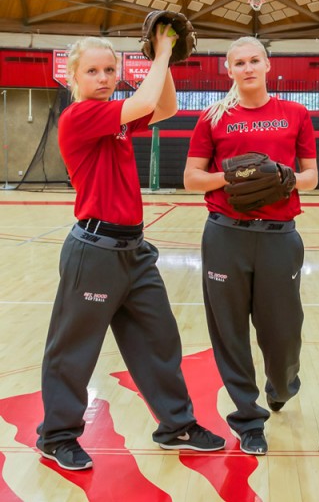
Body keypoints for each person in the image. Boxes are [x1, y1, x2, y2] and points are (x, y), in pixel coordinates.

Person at [36, 30, 225, 471]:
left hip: (135, 252)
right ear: (72, 77)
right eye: (93, 71)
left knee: (159, 340)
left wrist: (169, 59)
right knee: (74, 349)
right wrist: (159, 53)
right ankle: (57, 436)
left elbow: (165, 106)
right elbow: (143, 103)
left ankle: (175, 424)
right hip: (94, 251)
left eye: (110, 70)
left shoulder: (114, 118)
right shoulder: (80, 116)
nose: (103, 78)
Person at [184, 36, 318, 455]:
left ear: (268, 65)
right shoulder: (213, 116)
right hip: (226, 234)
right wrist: (234, 178)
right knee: (230, 332)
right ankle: (248, 419)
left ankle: (281, 384)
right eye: (239, 62)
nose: (247, 68)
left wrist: (285, 178)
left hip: (280, 237)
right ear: (228, 70)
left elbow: (312, 176)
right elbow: (192, 178)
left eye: (254, 60)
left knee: (283, 334)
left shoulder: (295, 113)